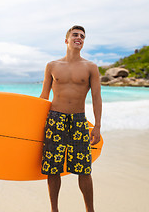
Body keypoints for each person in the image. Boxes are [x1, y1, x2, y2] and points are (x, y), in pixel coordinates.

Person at [39, 25, 102, 212]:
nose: (79, 38)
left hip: (78, 120)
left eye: (82, 36)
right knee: (53, 168)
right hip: (55, 119)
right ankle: (54, 210)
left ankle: (90, 210)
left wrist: (97, 126)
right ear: (66, 40)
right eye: (75, 35)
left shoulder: (91, 67)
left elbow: (97, 98)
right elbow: (43, 96)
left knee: (84, 168)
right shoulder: (52, 66)